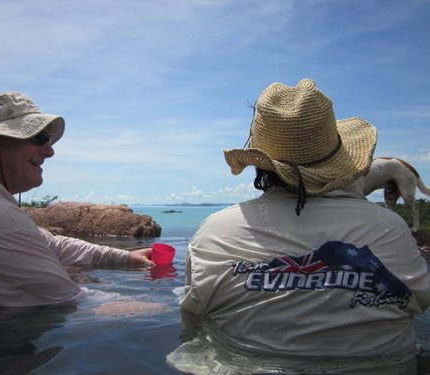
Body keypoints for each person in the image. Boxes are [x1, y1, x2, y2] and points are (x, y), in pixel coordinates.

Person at [179, 79, 430, 358]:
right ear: (338, 155)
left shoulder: (217, 231)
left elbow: (192, 318)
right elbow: (420, 300)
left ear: (260, 163)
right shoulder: (391, 228)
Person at [0, 92, 155, 313]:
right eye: (38, 137)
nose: (50, 151)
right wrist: (168, 308)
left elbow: (53, 244)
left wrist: (126, 257)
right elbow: (72, 302)